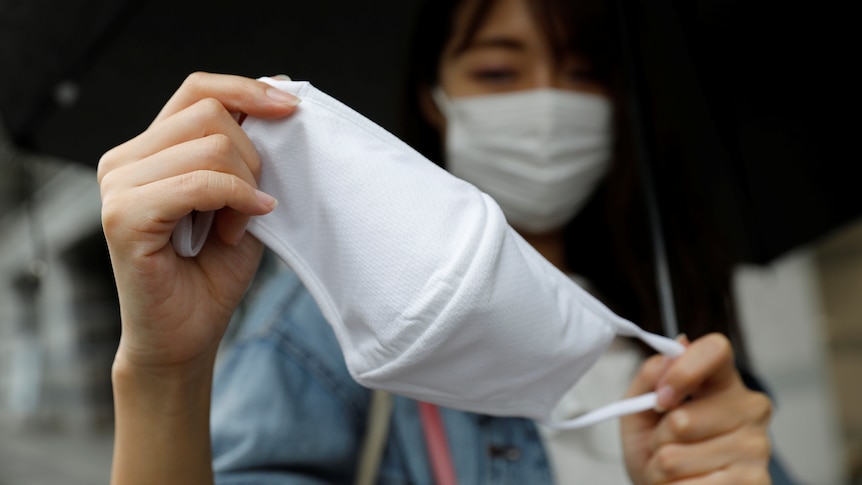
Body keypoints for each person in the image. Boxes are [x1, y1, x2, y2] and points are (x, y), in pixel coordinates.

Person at [98, 0, 787, 483]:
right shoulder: (334, 315)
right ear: (435, 94)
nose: (546, 103)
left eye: (583, 74)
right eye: (497, 71)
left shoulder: (671, 313)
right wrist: (165, 374)